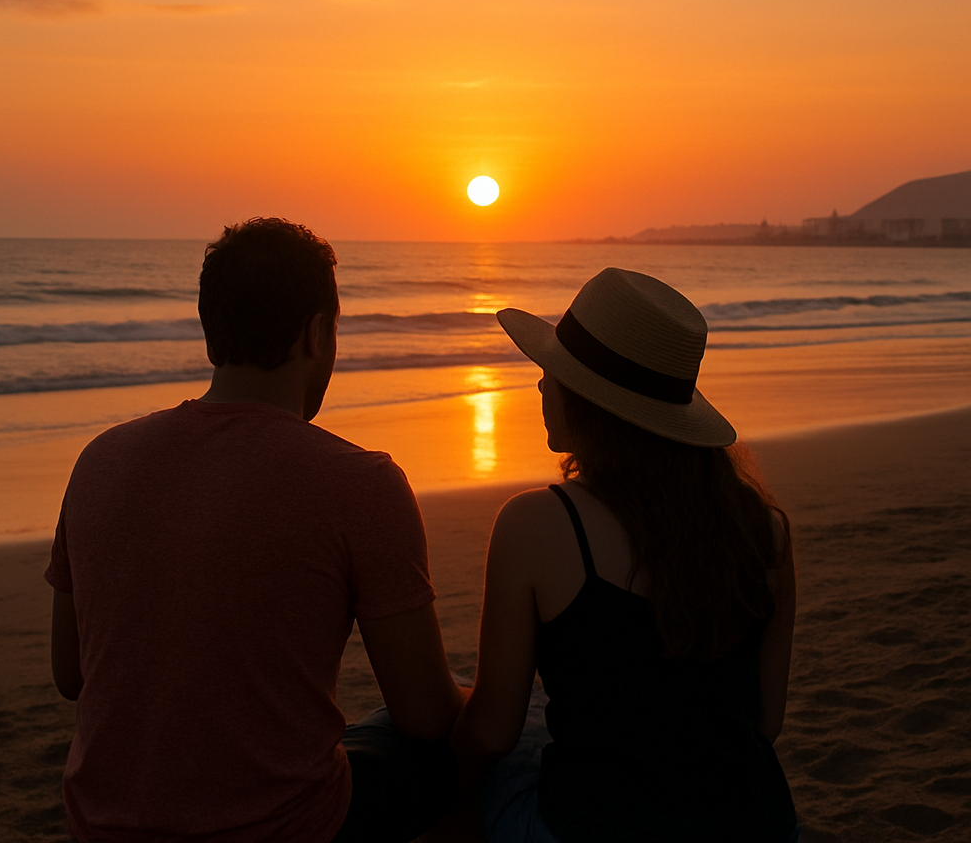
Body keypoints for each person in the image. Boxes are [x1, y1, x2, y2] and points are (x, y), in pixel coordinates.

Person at [46, 218, 463, 843]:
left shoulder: (99, 459)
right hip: (291, 828)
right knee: (481, 745)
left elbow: (71, 673)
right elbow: (426, 716)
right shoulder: (360, 483)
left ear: (211, 332)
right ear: (317, 332)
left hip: (100, 827)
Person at [452, 267, 800, 842]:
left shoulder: (538, 522)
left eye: (553, 373)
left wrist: (447, 779)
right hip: (757, 823)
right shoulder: (765, 532)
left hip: (596, 826)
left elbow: (491, 731)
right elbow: (764, 721)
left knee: (421, 745)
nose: (541, 386)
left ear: (591, 402)